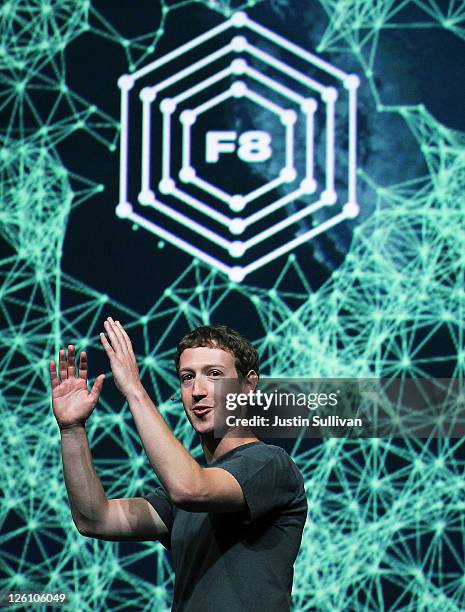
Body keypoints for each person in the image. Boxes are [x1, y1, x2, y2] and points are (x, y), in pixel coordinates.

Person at [50, 319, 307, 611]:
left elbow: (190, 489)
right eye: (187, 377)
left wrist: (135, 390)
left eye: (214, 374)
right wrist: (72, 429)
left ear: (248, 385)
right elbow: (94, 519)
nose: (197, 390)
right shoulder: (182, 495)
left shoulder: (270, 464)